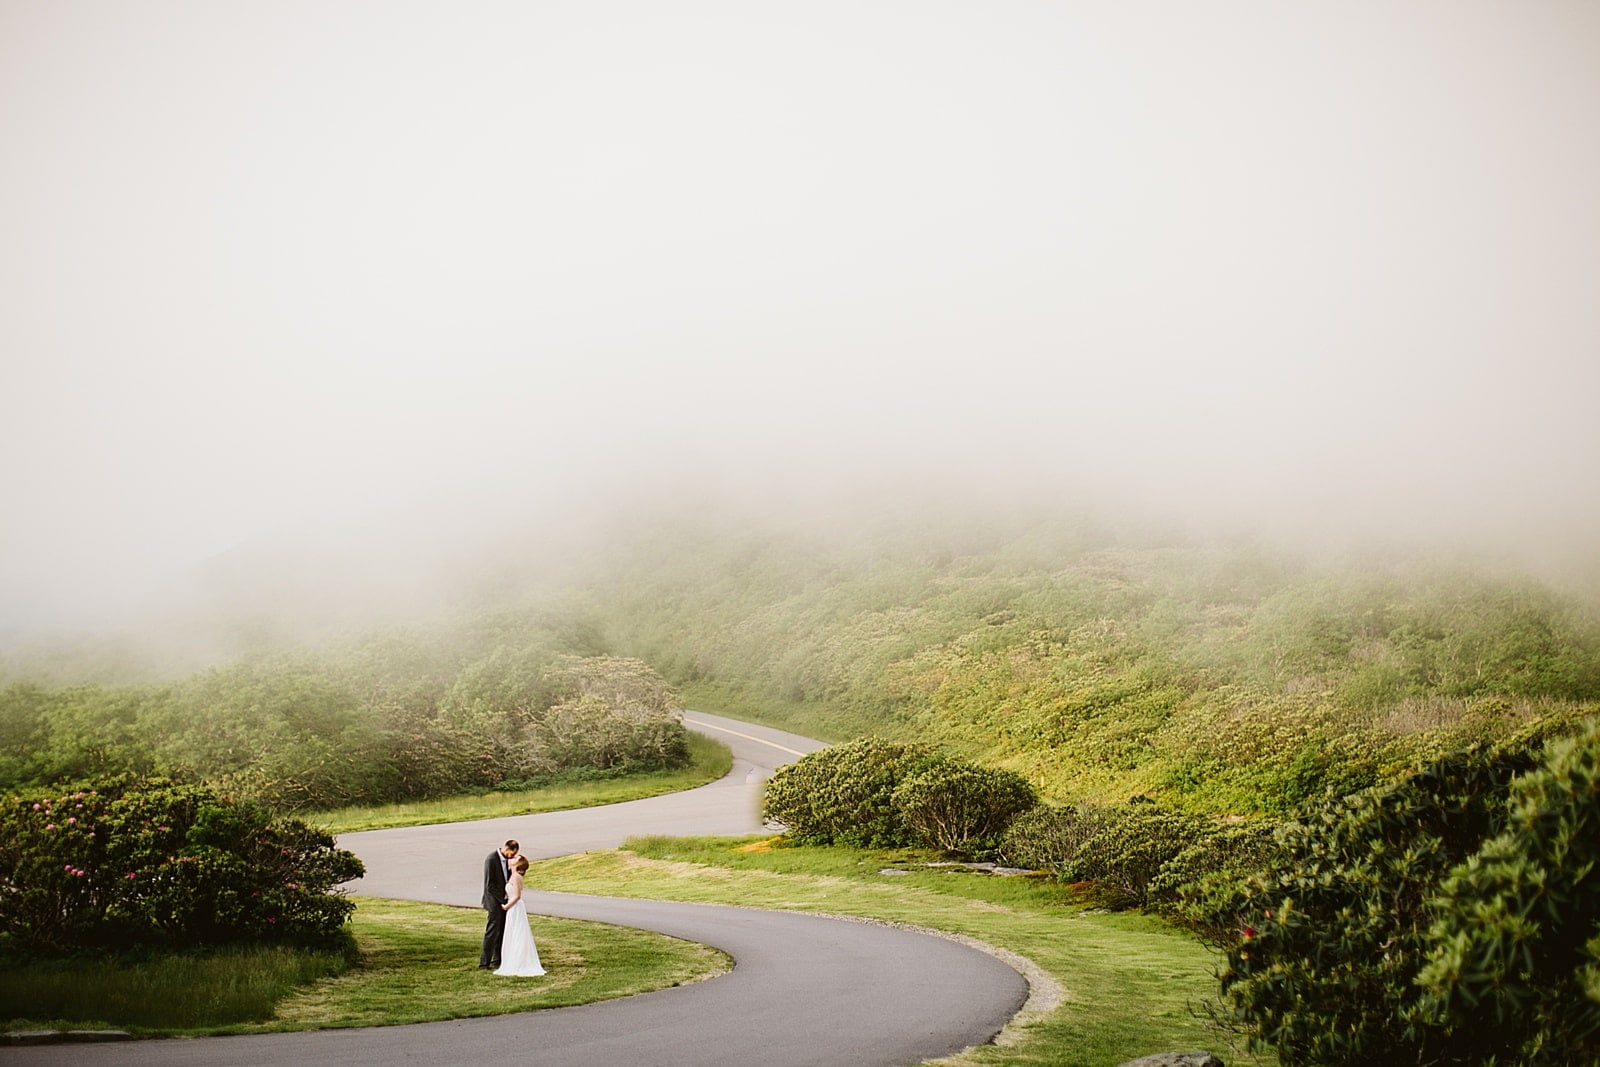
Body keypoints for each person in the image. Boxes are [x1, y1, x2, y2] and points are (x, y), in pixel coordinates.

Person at [494, 855, 545, 977]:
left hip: (515, 906)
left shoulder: (516, 877)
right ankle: (512, 959)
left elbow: (517, 896)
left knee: (518, 932)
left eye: (515, 859)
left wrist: (506, 906)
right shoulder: (513, 876)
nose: (512, 859)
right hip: (514, 907)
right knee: (513, 931)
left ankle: (519, 961)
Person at [479, 839, 519, 970]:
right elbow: (490, 885)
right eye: (512, 854)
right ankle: (484, 962)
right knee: (492, 932)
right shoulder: (491, 859)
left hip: (504, 902)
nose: (512, 857)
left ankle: (498, 959)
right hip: (494, 902)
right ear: (506, 849)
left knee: (502, 931)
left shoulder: (507, 861)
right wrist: (503, 899)